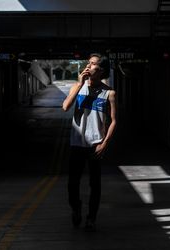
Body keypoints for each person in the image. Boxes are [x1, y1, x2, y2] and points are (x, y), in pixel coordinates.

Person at [62, 52, 117, 231]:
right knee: (72, 184)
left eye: (92, 64)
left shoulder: (109, 93)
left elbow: (114, 121)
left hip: (95, 144)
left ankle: (91, 218)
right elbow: (65, 107)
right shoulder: (78, 87)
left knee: (95, 185)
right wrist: (79, 84)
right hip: (77, 143)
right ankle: (76, 208)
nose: (88, 66)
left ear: (100, 70)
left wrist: (105, 143)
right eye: (88, 63)